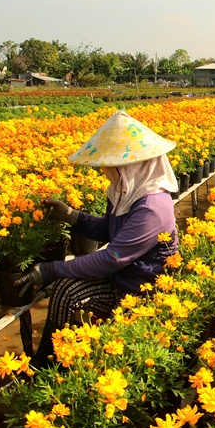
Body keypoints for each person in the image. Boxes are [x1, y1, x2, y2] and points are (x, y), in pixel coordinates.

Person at [23, 110, 180, 359]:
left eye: (109, 165)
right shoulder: (125, 192)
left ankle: (58, 366)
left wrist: (52, 269)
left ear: (130, 167)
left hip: (140, 293)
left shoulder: (152, 207)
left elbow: (111, 257)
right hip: (120, 277)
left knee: (67, 290)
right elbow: (109, 230)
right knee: (65, 291)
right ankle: (52, 364)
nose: (103, 171)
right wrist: (72, 216)